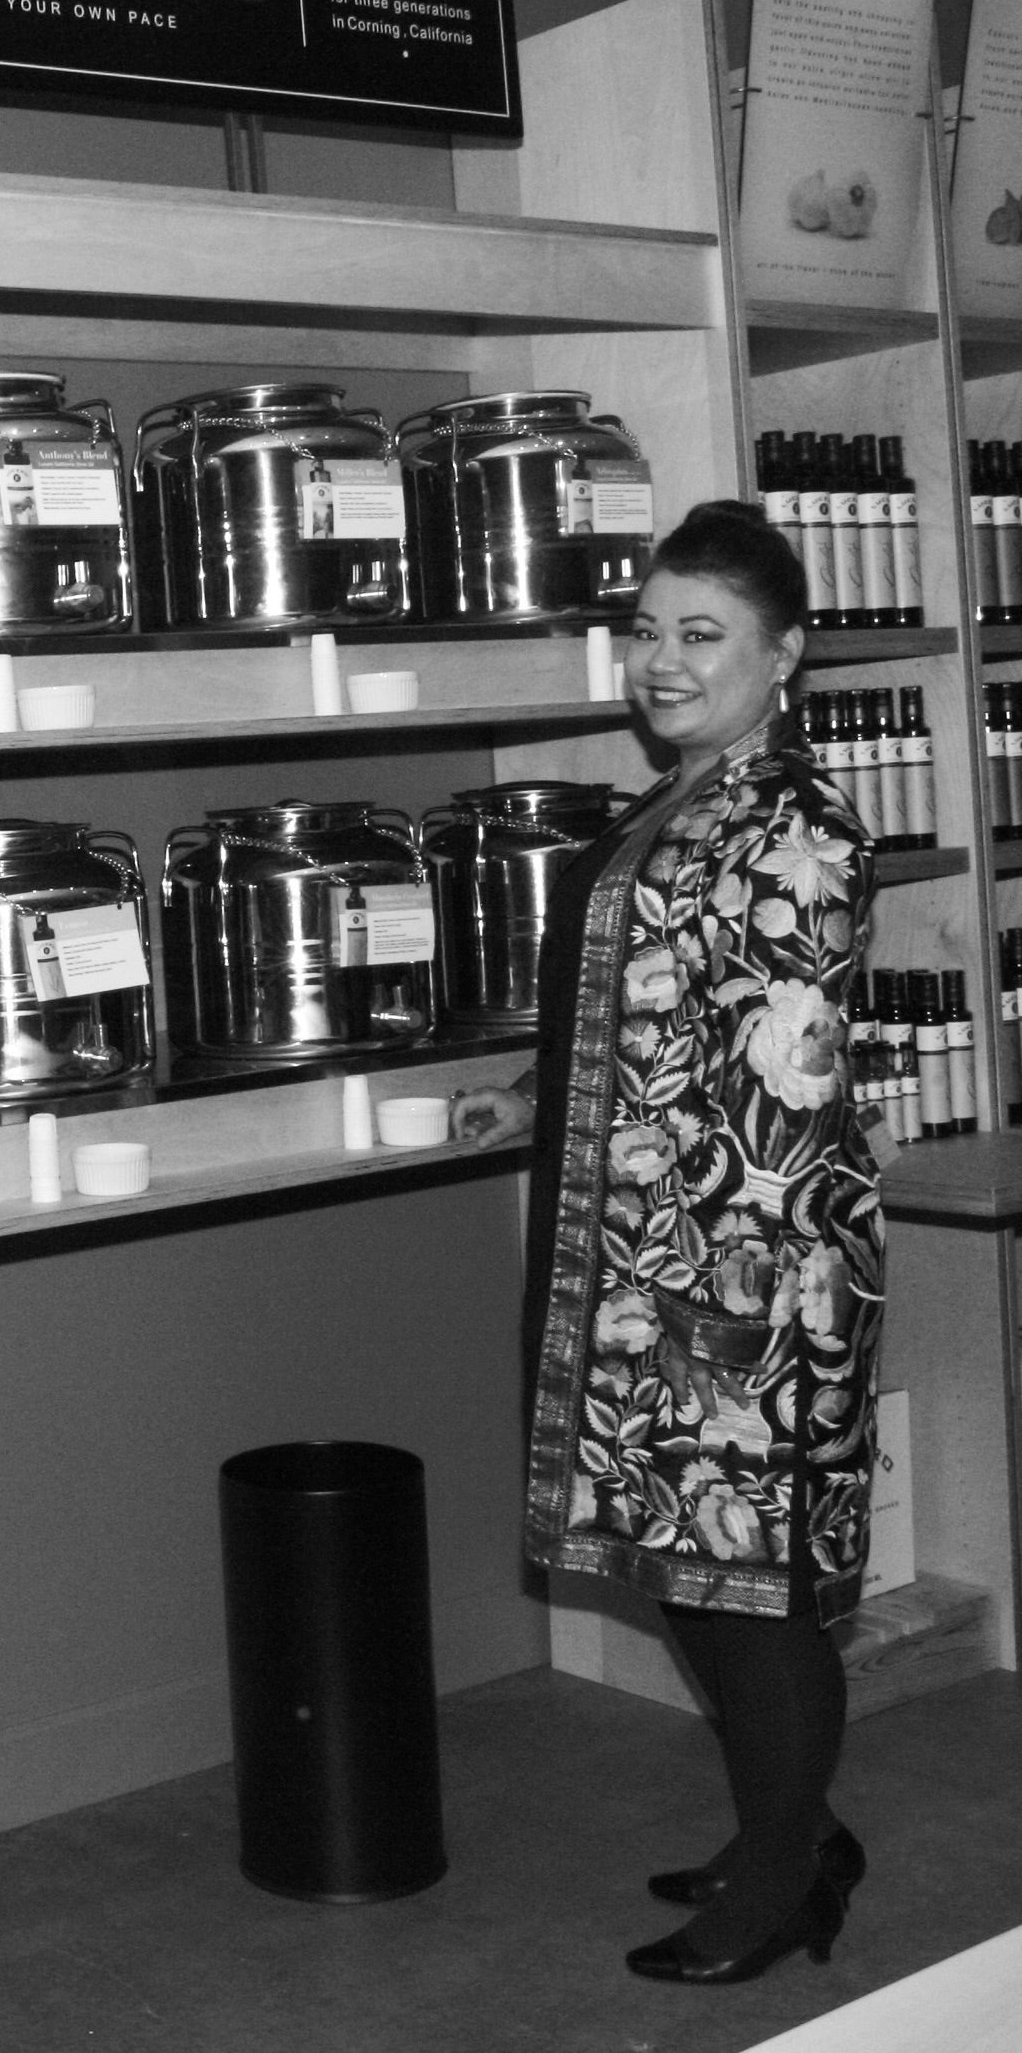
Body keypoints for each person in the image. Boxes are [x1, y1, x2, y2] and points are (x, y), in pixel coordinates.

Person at [452, 501, 881, 1985]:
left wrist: (726, 1293)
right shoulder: (677, 804)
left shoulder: (800, 828)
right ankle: (793, 1830)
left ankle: (782, 1886)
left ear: (786, 655)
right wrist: (532, 1094)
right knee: (672, 1562)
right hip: (635, 1257)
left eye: (701, 635)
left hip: (735, 1271)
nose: (660, 659)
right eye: (646, 629)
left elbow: (784, 1080)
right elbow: (652, 1014)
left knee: (746, 1583)